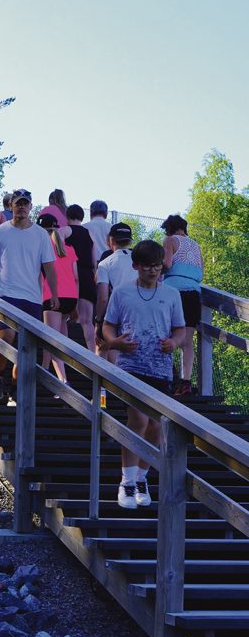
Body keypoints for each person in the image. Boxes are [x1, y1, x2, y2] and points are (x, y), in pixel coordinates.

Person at [103, 240, 185, 509]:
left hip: (160, 367)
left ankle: (141, 477)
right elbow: (107, 327)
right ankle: (126, 481)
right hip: (131, 365)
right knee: (137, 419)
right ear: (136, 266)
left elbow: (180, 330)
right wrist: (116, 343)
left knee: (156, 425)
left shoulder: (172, 294)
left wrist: (174, 342)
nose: (153, 270)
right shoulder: (123, 293)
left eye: (158, 265)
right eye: (148, 265)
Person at [0, 189, 59, 402]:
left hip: (32, 298)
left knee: (26, 348)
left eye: (26, 204)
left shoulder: (40, 235)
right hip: (6, 293)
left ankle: (15, 389)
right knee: (5, 336)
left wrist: (53, 293)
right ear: (11, 205)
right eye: (18, 203)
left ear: (31, 207)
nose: (22, 207)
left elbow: (49, 267)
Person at [161, 214, 204, 395]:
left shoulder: (170, 240)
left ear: (169, 228)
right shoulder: (196, 245)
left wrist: (154, 268)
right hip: (193, 293)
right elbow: (201, 273)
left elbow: (167, 263)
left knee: (167, 333)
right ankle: (186, 382)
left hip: (173, 292)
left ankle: (171, 375)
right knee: (187, 341)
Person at [37, 213, 79, 387]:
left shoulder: (41, 249)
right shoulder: (69, 249)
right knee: (61, 337)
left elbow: (39, 277)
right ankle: (47, 369)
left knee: (51, 340)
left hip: (52, 297)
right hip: (70, 297)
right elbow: (76, 276)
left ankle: (63, 381)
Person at [95, 223, 136, 356]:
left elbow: (103, 297)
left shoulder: (105, 264)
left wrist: (98, 320)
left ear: (111, 240)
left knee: (107, 348)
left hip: (115, 312)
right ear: (130, 241)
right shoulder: (139, 260)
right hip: (138, 310)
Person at [65, 204, 97, 351]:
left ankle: (64, 350)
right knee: (87, 320)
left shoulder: (65, 231)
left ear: (67, 216)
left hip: (69, 274)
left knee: (64, 315)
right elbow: (93, 259)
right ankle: (92, 353)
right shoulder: (89, 233)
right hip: (87, 275)